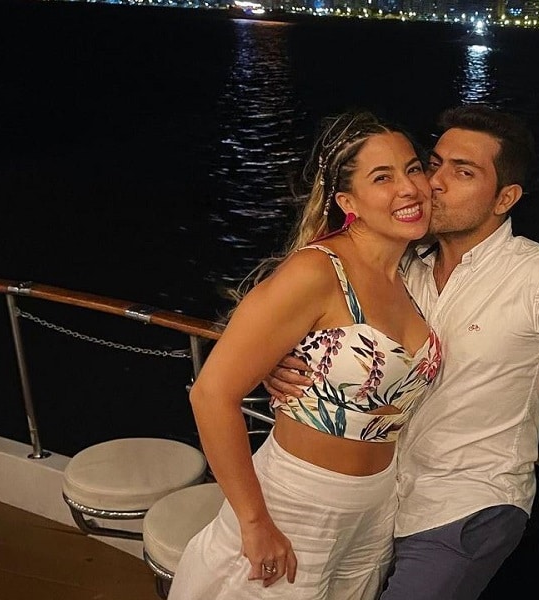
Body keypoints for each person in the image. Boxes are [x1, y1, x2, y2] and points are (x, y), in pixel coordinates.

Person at [264, 105, 539, 600]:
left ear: (505, 197)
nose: (434, 184)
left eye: (463, 173)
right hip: (380, 496)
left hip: (468, 506)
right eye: (433, 165)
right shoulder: (401, 265)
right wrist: (279, 361)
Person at [169, 111, 443, 600]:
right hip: (297, 501)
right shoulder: (317, 272)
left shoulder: (410, 277)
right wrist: (255, 522)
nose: (409, 188)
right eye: (382, 177)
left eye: (414, 169)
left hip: (376, 507)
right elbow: (211, 395)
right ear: (347, 201)